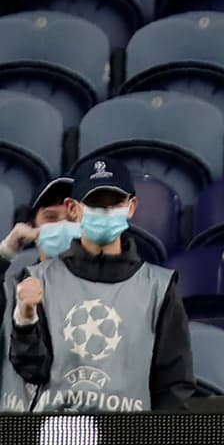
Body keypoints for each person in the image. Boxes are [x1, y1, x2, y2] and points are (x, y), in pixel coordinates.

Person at [9, 160, 193, 412]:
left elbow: (173, 382)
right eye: (95, 203)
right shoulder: (38, 280)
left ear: (131, 207)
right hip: (59, 437)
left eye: (114, 203)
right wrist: (25, 320)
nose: (105, 211)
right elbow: (32, 370)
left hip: (131, 441)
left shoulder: (159, 288)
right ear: (73, 209)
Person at [1, 177, 79, 411]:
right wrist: (4, 254)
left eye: (72, 219)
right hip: (15, 429)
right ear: (31, 226)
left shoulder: (112, 291)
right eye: (51, 218)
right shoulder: (9, 289)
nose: (61, 227)